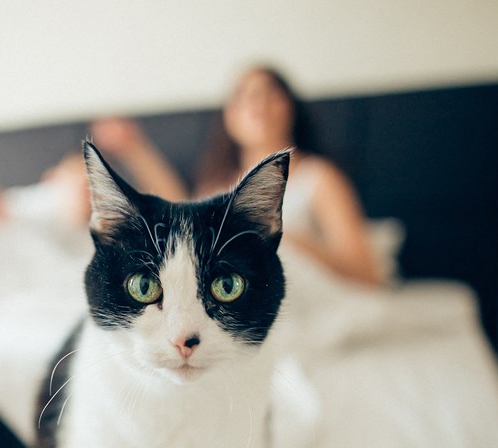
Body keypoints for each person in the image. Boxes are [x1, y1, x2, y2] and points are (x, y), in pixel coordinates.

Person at [92, 66, 385, 286]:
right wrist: (135, 148)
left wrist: (289, 241)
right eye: (244, 96)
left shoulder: (319, 176)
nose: (258, 102)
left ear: (290, 108)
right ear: (229, 116)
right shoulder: (218, 185)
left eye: (270, 93)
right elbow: (176, 211)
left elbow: (368, 275)